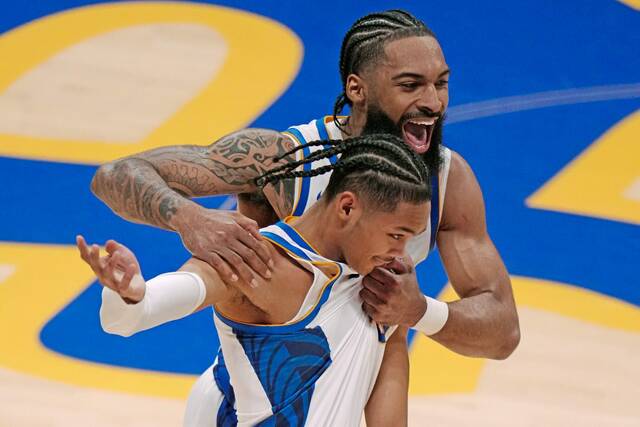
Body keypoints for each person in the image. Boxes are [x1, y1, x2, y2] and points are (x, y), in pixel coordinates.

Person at [90, 8, 519, 424]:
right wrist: (190, 220)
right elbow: (116, 175)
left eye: (441, 84)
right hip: (251, 396)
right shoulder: (282, 161)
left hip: (347, 389)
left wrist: (415, 310)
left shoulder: (446, 180)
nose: (433, 103)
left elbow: (501, 333)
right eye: (411, 85)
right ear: (357, 88)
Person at [78, 134, 437, 426]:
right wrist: (130, 294)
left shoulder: (387, 282)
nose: (402, 252)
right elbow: (130, 319)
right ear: (347, 208)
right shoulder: (258, 260)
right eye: (396, 235)